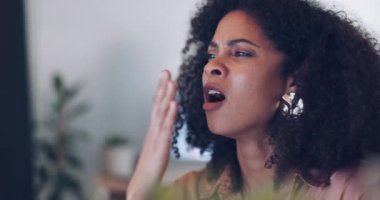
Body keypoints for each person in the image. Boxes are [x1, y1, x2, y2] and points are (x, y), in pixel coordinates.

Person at [127, 0, 380, 199]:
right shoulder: (191, 192)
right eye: (211, 54)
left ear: (291, 82)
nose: (212, 66)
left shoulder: (350, 190)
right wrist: (139, 191)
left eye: (240, 53)